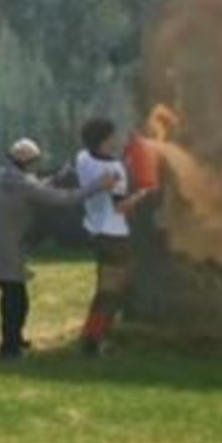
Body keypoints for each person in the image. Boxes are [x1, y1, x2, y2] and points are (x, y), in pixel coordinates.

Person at [0, 138, 119, 359]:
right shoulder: (22, 185)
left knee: (14, 296)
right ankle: (9, 348)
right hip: (4, 247)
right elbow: (64, 200)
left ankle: (15, 340)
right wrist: (98, 185)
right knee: (15, 299)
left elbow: (35, 185)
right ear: (30, 162)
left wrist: (58, 177)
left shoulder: (6, 175)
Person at [76, 118, 151, 356]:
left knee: (107, 289)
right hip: (115, 235)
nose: (117, 140)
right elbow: (121, 207)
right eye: (113, 137)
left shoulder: (83, 159)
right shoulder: (114, 170)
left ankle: (93, 336)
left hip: (96, 230)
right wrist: (143, 193)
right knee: (111, 292)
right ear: (103, 141)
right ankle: (94, 340)